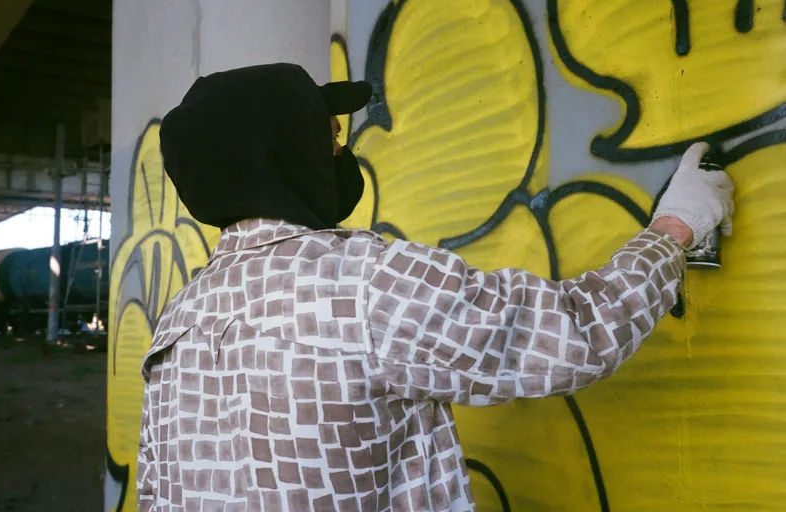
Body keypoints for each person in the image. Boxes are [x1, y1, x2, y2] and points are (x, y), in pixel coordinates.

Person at [137, 63, 734, 511]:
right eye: (329, 133)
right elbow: (574, 335)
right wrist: (673, 229)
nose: (342, 149)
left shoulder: (180, 317)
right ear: (283, 152)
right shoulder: (368, 284)